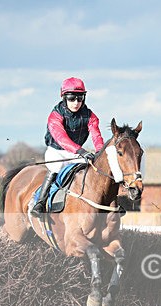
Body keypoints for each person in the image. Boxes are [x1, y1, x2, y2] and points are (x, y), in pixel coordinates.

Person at [31, 77, 105, 217]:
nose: (76, 103)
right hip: (56, 151)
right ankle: (40, 202)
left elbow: (96, 136)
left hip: (76, 153)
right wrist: (81, 151)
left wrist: (100, 152)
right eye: (72, 98)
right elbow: (61, 138)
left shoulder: (90, 116)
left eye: (80, 98)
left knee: (93, 170)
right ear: (64, 98)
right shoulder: (55, 115)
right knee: (56, 167)